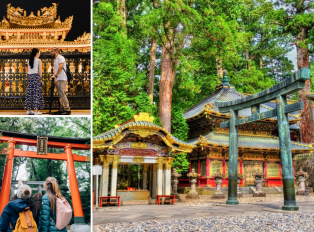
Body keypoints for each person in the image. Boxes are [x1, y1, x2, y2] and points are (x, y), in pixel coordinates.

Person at [50, 48, 71, 115]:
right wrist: (54, 76)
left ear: (56, 51)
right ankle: (61, 110)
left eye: (52, 51)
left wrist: (55, 75)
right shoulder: (55, 59)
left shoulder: (61, 57)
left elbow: (61, 66)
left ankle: (67, 109)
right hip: (58, 79)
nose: (51, 53)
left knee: (62, 93)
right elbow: (57, 69)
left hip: (62, 78)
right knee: (60, 95)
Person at [24, 48, 45, 115]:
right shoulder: (39, 60)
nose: (39, 54)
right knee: (36, 93)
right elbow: (40, 72)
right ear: (37, 53)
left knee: (29, 93)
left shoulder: (28, 60)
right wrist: (40, 80)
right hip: (36, 77)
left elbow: (29, 70)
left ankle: (29, 110)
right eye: (39, 53)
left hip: (30, 77)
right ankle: (36, 111)